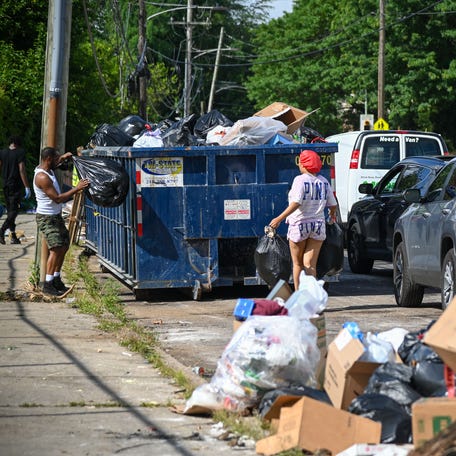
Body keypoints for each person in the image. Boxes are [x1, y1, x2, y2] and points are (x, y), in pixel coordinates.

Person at [269, 149, 338, 289]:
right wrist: (332, 214)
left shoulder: (300, 180)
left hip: (299, 225)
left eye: (300, 162)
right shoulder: (323, 181)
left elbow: (296, 202)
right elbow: (333, 204)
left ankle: (299, 296)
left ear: (304, 165)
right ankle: (312, 296)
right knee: (310, 265)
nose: (299, 164)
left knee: (297, 264)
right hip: (318, 226)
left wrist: (279, 218)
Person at [33, 146, 90, 296]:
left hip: (55, 215)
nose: (59, 162)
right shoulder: (42, 177)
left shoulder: (48, 168)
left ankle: (56, 279)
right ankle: (48, 284)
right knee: (56, 248)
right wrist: (77, 188)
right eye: (57, 159)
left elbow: (57, 162)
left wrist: (64, 156)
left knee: (64, 245)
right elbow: (58, 199)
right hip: (47, 218)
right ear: (48, 159)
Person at [0, 136, 31, 244]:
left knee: (10, 210)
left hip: (5, 185)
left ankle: (13, 236)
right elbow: (21, 169)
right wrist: (27, 186)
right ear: (18, 143)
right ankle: (2, 230)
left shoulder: (2, 152)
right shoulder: (20, 153)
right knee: (13, 212)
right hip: (15, 185)